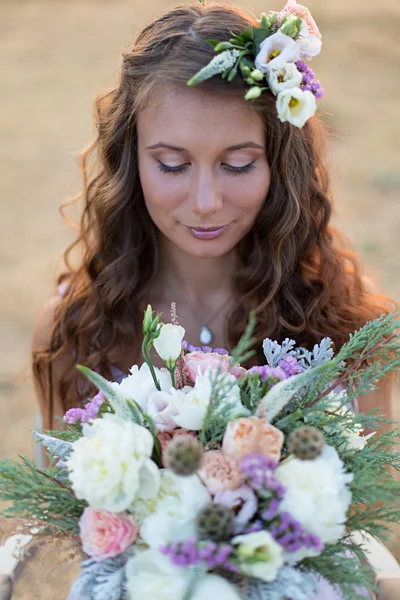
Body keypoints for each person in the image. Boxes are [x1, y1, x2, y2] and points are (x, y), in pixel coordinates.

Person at [28, 1, 399, 598]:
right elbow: (57, 530)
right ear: (131, 160)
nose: (205, 201)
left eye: (237, 164)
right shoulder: (75, 329)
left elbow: (370, 531)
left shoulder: (357, 330)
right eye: (172, 164)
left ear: (281, 164)